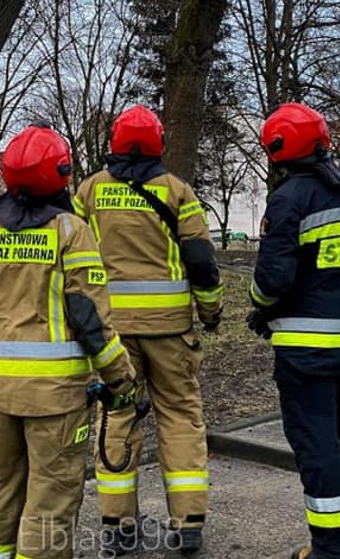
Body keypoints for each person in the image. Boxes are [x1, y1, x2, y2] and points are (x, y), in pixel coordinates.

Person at [0, 123, 136, 559]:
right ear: (61, 172)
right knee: (49, 501)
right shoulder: (71, 233)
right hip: (55, 401)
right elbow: (89, 321)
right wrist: (121, 381)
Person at [74, 105, 223, 555]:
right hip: (171, 331)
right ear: (159, 144)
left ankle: (118, 525)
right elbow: (200, 262)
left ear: (114, 143)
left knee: (117, 418)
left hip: (112, 334)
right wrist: (211, 312)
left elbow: (73, 254)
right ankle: (188, 522)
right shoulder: (177, 191)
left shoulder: (91, 191)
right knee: (179, 417)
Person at [246, 103, 340, 559]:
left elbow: (272, 281)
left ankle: (333, 546)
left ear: (277, 149)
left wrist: (260, 309)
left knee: (314, 442)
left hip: (304, 346)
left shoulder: (288, 199)